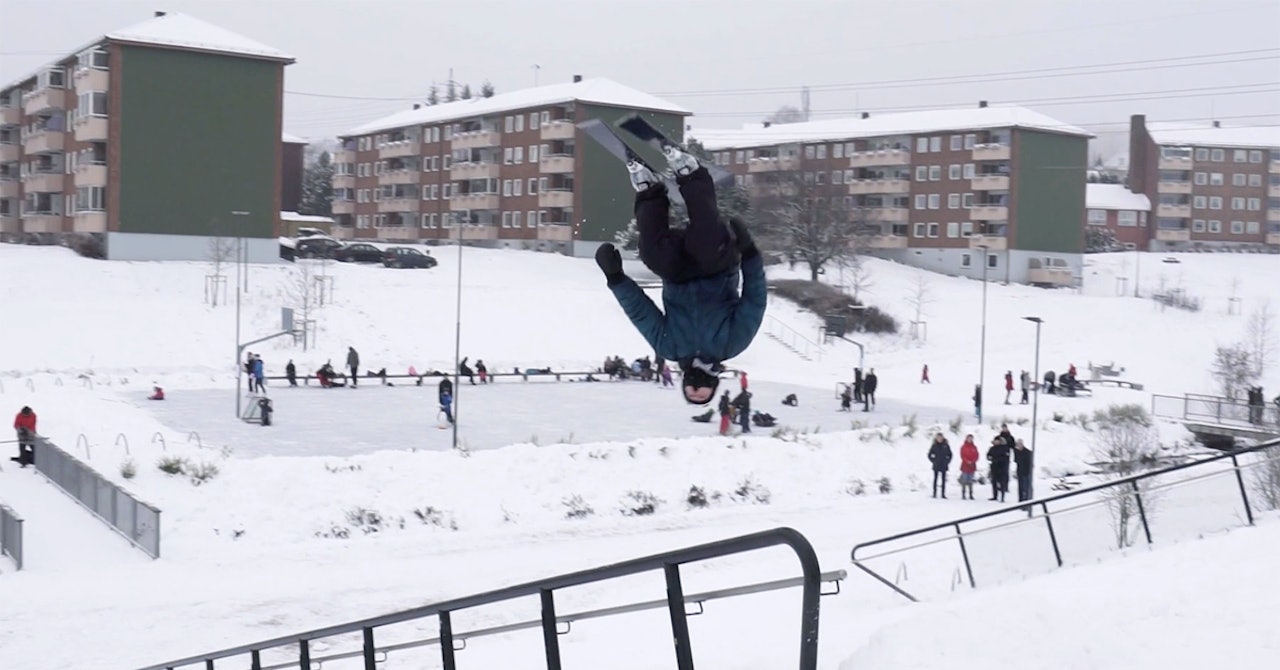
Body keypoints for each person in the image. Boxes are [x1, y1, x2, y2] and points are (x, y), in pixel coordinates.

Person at [593, 144, 767, 406]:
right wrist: (750, 252)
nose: (697, 384)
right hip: (716, 270)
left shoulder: (670, 348)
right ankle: (690, 173)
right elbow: (755, 299)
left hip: (678, 275)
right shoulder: (732, 345)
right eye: (703, 389)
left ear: (684, 383)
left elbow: (641, 313)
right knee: (705, 241)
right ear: (713, 384)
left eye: (691, 389)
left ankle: (649, 190)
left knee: (653, 255)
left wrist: (615, 278)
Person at [987, 435, 1012, 502]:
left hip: (1002, 468)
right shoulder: (992, 448)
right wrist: (990, 458)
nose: (996, 442)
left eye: (998, 441)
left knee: (1002, 483)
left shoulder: (1005, 448)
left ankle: (1002, 497)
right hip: (994, 467)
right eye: (995, 441)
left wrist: (997, 459)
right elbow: (988, 455)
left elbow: (1006, 458)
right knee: (994, 482)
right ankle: (995, 496)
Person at [928, 433, 952, 499]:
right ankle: (934, 493)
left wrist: (947, 461)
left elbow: (950, 454)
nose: (939, 439)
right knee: (935, 479)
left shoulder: (946, 445)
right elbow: (929, 454)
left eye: (940, 437)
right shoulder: (934, 445)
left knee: (943, 480)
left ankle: (943, 494)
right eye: (938, 437)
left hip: (944, 465)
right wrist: (933, 460)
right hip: (936, 465)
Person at [958, 434, 979, 500]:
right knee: (964, 480)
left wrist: (973, 461)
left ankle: (971, 494)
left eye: (971, 438)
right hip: (965, 465)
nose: (970, 440)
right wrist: (967, 461)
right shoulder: (963, 447)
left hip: (972, 466)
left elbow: (977, 455)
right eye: (969, 438)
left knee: (970, 481)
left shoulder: (974, 447)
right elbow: (962, 456)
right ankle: (963, 494)